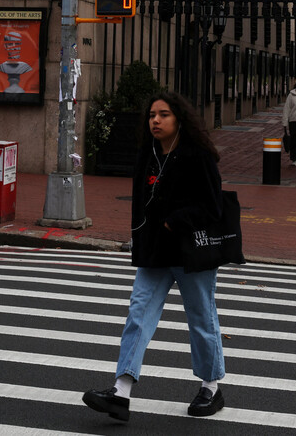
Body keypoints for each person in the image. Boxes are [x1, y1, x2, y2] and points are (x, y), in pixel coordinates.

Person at [83, 91, 226, 422]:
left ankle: (211, 386)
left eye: (163, 115)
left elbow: (212, 207)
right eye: (151, 115)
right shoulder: (146, 154)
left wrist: (172, 221)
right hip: (154, 253)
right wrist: (139, 238)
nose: (155, 121)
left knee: (201, 319)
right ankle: (121, 391)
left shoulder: (197, 155)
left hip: (191, 252)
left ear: (179, 119)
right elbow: (139, 205)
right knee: (138, 313)